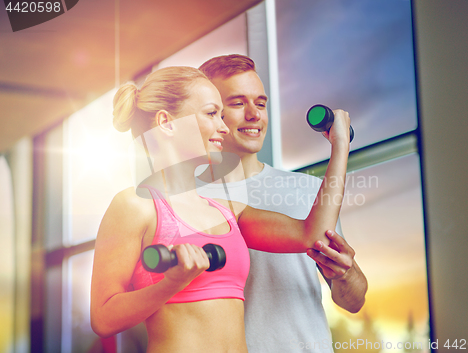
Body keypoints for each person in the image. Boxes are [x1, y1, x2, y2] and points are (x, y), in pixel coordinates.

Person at [90, 65, 353, 352]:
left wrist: (339, 148)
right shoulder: (135, 205)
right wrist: (170, 284)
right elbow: (103, 318)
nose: (224, 127)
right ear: (166, 122)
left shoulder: (227, 209)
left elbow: (311, 235)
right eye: (211, 113)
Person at [197, 54, 368, 352]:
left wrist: (346, 273)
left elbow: (352, 301)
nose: (254, 114)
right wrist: (341, 146)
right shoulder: (189, 201)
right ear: (209, 112)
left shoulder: (309, 191)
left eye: (261, 104)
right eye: (237, 103)